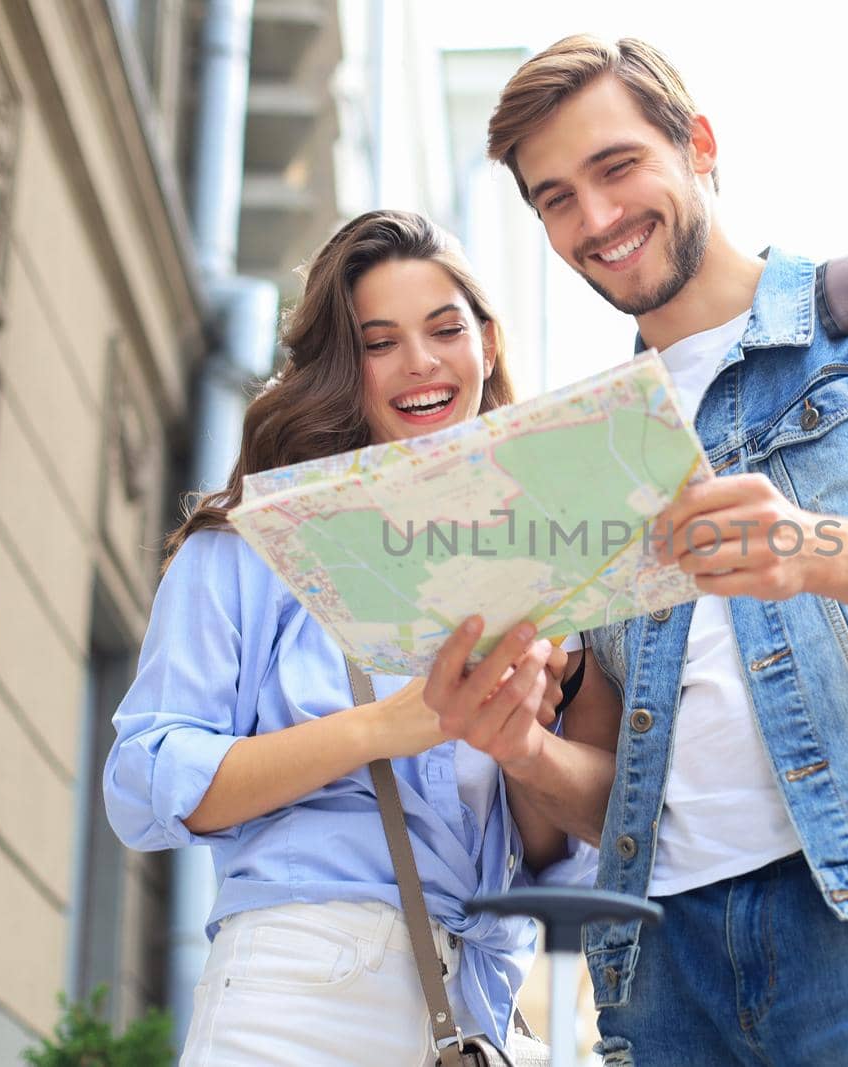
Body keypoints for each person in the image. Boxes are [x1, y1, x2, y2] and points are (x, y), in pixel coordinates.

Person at [425, 36, 848, 1064]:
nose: (597, 219)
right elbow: (611, 781)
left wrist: (811, 546)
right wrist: (518, 743)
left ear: (698, 144)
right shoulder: (584, 452)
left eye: (616, 168)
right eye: (556, 198)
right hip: (665, 967)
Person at [102, 209, 574, 1066]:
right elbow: (145, 781)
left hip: (477, 1007)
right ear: (340, 368)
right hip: (301, 990)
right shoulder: (251, 547)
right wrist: (386, 727)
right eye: (379, 341)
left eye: (444, 329)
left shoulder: (538, 564)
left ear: (489, 343)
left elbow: (550, 859)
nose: (420, 363)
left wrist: (524, 738)